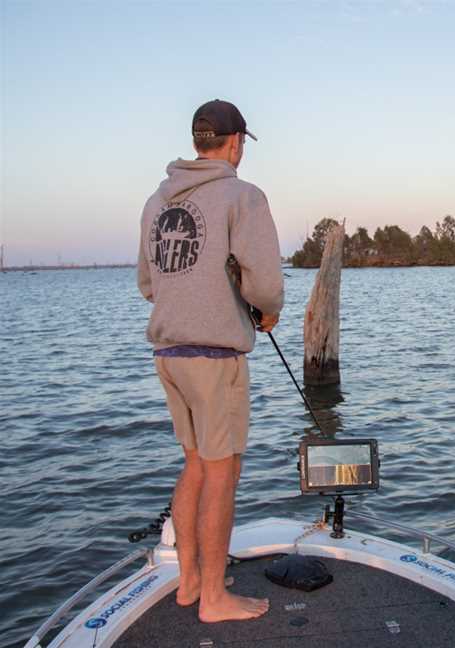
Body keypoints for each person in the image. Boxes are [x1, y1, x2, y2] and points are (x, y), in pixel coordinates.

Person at [137, 99, 284, 623]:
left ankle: (190, 583)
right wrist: (266, 313)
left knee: (196, 464)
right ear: (235, 142)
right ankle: (216, 599)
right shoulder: (243, 196)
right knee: (223, 472)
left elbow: (147, 284)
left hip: (169, 353)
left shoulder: (157, 201)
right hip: (214, 356)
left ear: (198, 140)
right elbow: (264, 281)